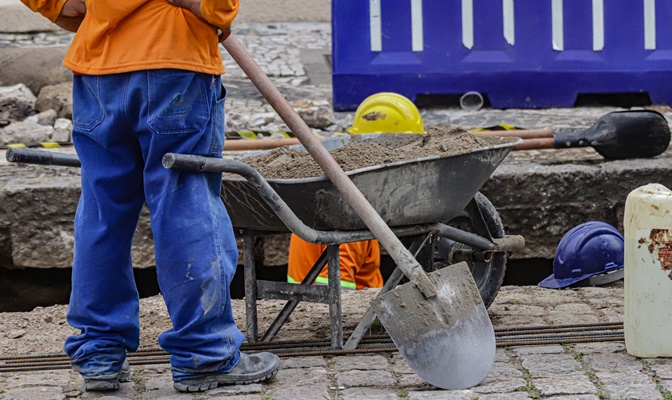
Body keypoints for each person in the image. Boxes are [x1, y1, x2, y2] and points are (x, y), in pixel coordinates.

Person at [20, 0, 279, 393]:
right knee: (184, 203)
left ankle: (99, 350)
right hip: (175, 59)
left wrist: (58, 4)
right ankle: (204, 353)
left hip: (99, 70)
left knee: (102, 211)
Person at [287, 92, 424, 290]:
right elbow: (335, 289)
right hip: (339, 312)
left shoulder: (339, 190)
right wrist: (375, 322)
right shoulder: (350, 211)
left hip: (305, 300)